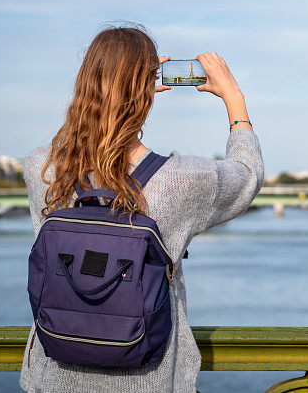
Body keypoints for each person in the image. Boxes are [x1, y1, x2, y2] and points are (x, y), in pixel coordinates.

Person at [19, 24, 264, 392]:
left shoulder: (42, 170)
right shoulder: (181, 180)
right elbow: (247, 176)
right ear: (147, 92)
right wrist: (234, 98)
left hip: (54, 376)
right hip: (149, 379)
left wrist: (129, 86)